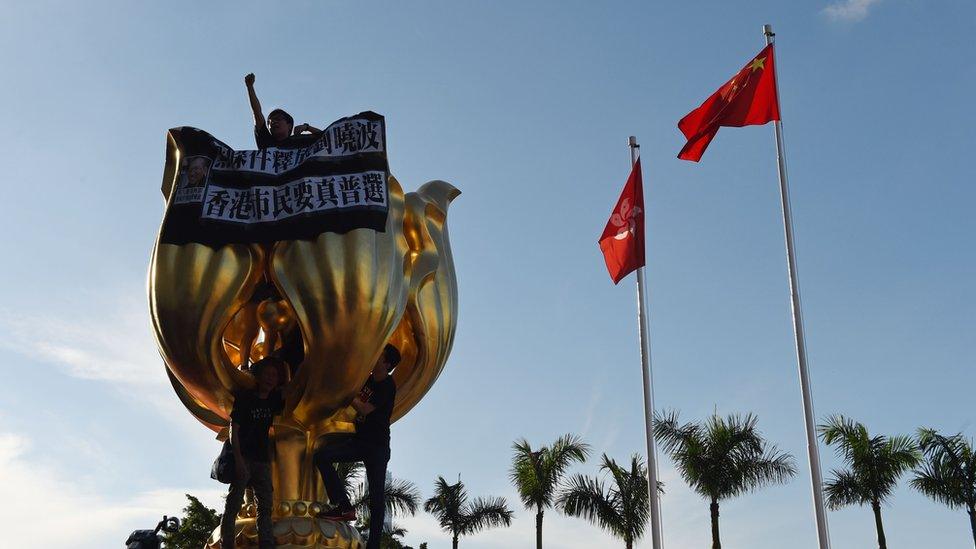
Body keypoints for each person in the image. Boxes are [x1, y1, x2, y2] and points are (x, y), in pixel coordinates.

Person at [313, 344, 400, 548]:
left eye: (380, 355)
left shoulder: (388, 385)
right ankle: (344, 506)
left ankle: (373, 545)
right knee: (321, 456)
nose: (374, 355)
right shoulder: (368, 379)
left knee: (377, 499)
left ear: (386, 364)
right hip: (359, 441)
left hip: (377, 448)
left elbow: (364, 408)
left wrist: (346, 392)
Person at [220, 357, 286, 549]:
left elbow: (293, 389)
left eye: (274, 376)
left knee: (265, 504)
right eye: (267, 375)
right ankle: (227, 543)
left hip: (262, 460)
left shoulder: (273, 399)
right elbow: (234, 428)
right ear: (259, 377)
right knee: (234, 502)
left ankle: (266, 542)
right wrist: (239, 460)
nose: (270, 379)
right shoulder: (246, 398)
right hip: (244, 457)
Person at [245, 73, 321, 149]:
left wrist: (307, 127)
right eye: (269, 122)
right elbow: (257, 112)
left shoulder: (298, 141)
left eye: (278, 119)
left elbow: (327, 137)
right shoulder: (266, 141)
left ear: (289, 125)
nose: (273, 122)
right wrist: (250, 87)